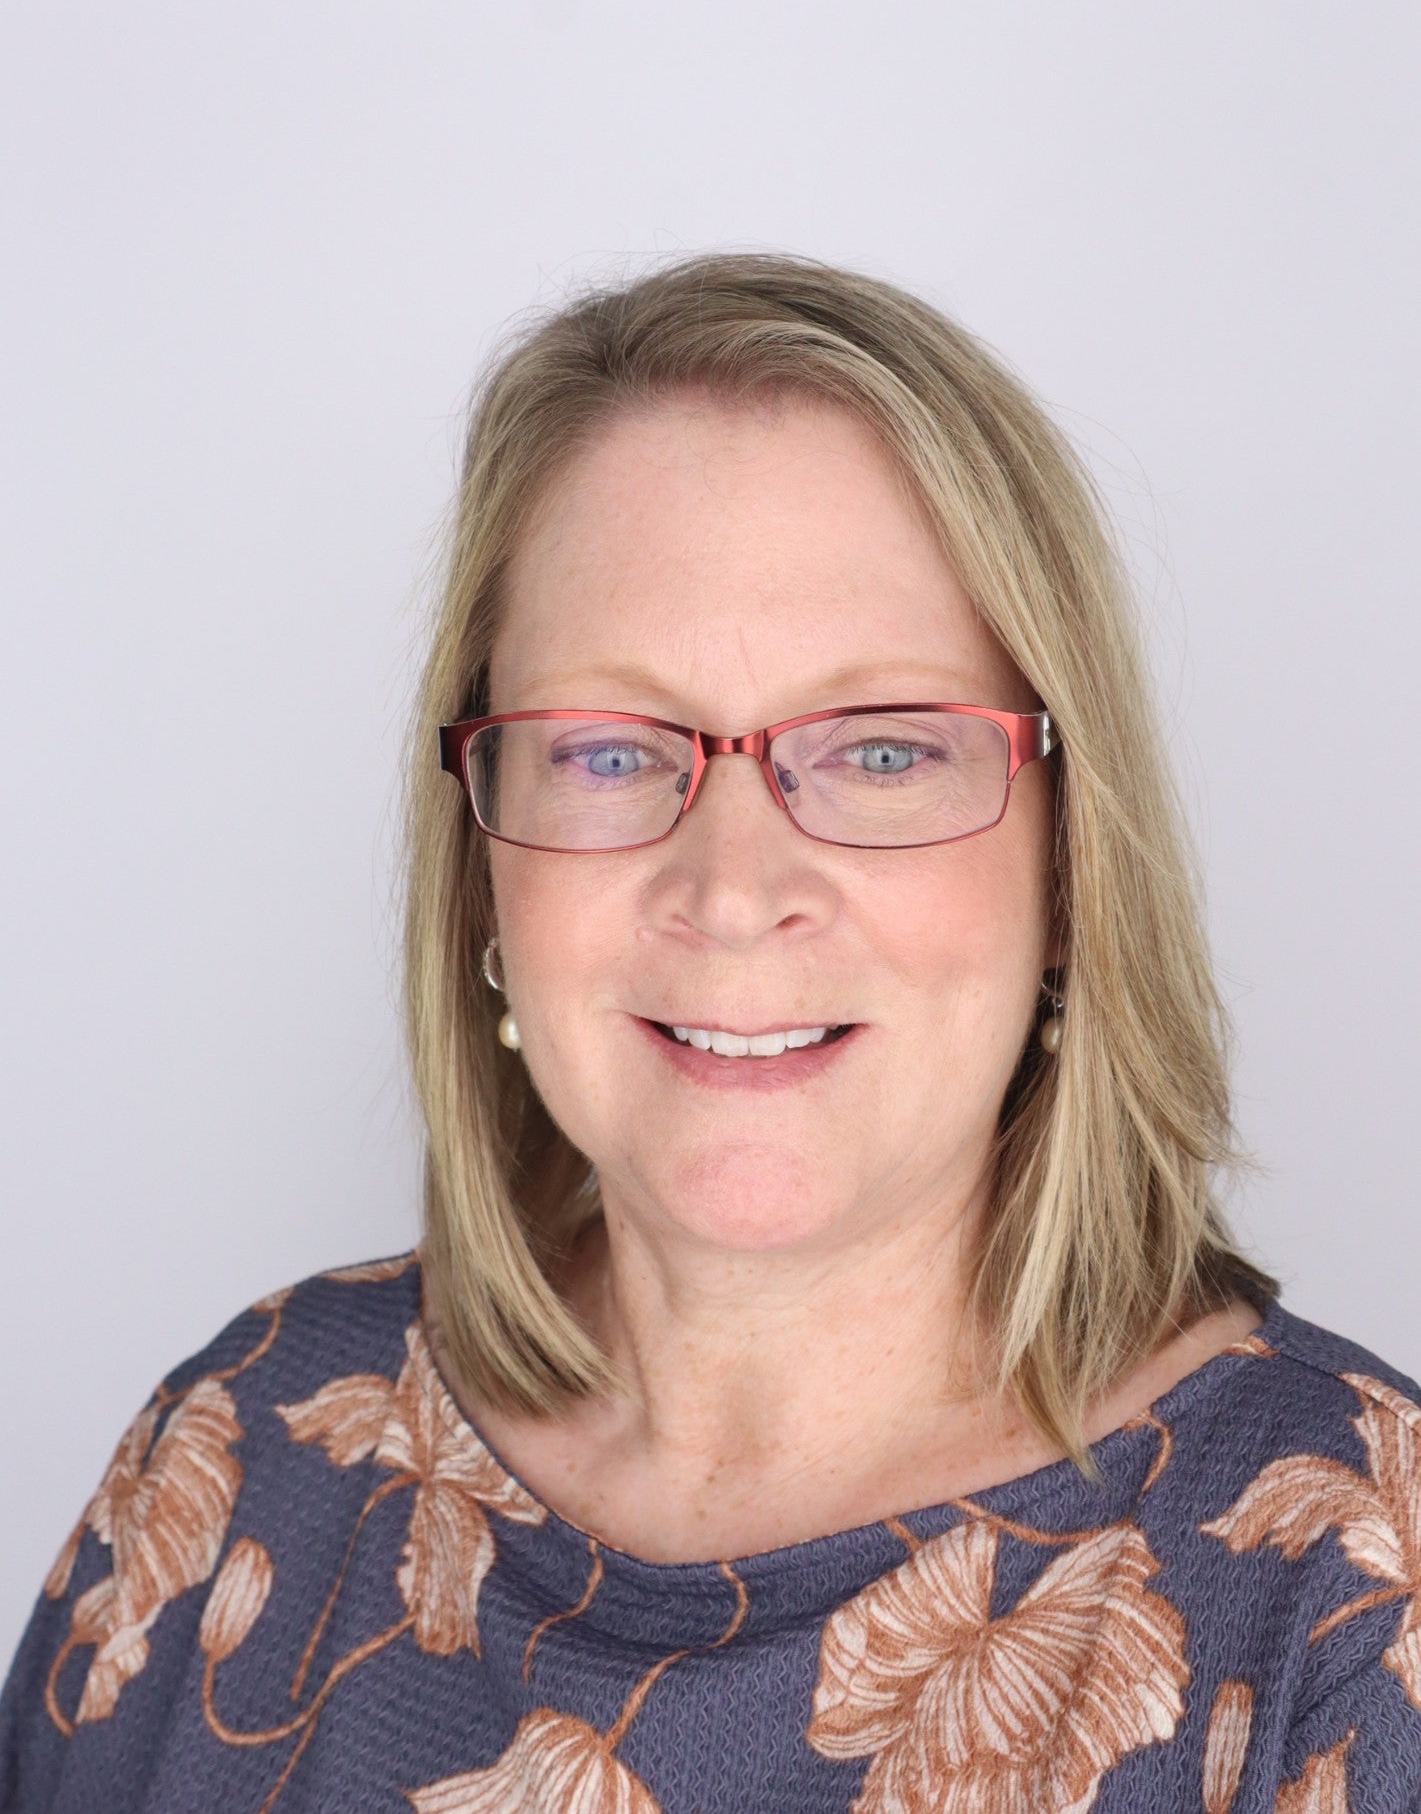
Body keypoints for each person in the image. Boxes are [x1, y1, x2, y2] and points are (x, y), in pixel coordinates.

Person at [2, 255, 1418, 1814]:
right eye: (609, 750)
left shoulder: (1348, 1596)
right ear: (483, 863)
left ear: (1072, 868)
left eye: (881, 748)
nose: (733, 891)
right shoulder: (247, 1451)